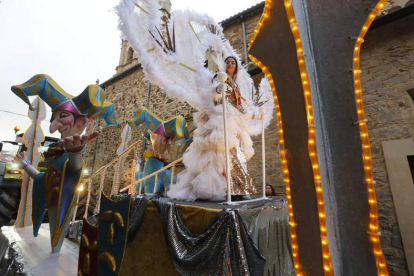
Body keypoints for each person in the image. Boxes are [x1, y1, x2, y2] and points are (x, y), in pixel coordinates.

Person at [12, 74, 118, 252]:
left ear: (82, 121)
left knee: (56, 239)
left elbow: (75, 169)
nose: (53, 126)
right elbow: (42, 179)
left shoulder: (68, 153)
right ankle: (52, 249)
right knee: (53, 237)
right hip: (53, 201)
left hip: (62, 204)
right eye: (54, 118)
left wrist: (76, 152)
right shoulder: (57, 155)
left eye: (63, 116)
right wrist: (26, 165)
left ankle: (55, 251)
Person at [168, 57, 257, 201]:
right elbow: (208, 94)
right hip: (219, 118)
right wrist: (216, 89)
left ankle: (239, 188)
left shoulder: (235, 85)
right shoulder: (217, 77)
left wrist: (248, 112)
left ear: (236, 68)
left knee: (236, 152)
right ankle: (213, 188)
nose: (229, 64)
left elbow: (238, 103)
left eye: (232, 63)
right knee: (216, 152)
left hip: (234, 120)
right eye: (227, 62)